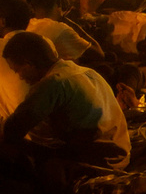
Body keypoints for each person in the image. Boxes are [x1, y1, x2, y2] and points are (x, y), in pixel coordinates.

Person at [1, 32, 129, 170]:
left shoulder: (53, 82)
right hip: (120, 154)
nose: (20, 77)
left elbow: (13, 129)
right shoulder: (87, 72)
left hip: (99, 161)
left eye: (17, 70)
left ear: (28, 64)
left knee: (8, 147)